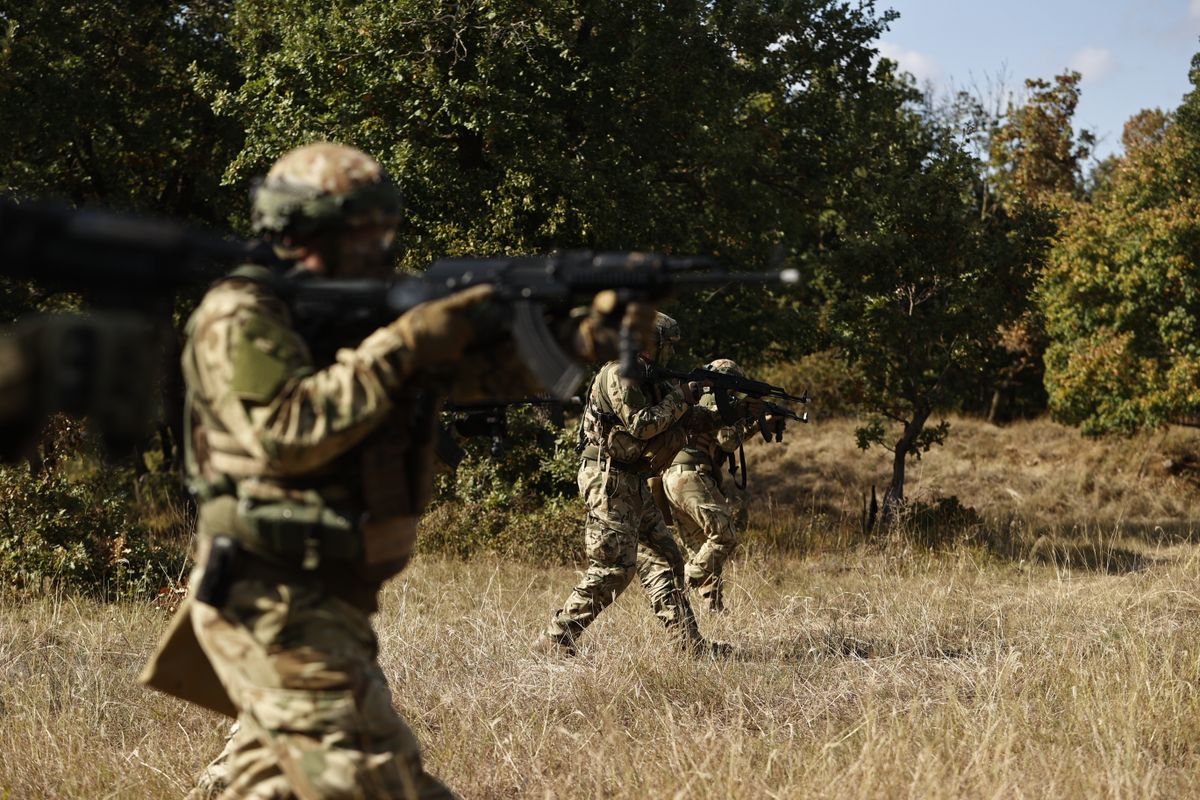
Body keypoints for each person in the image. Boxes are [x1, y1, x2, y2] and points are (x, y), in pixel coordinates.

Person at [139, 141, 645, 800]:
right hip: (272, 594)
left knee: (302, 782)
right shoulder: (240, 314)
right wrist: (404, 341)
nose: (378, 246)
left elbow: (459, 377)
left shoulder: (355, 320)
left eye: (384, 229)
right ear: (299, 229)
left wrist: (581, 342)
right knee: (364, 781)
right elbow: (288, 431)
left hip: (329, 591)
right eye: (359, 230)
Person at [533, 313, 728, 657]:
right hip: (607, 478)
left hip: (633, 479)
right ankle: (556, 638)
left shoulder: (653, 378)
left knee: (667, 557)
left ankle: (688, 645)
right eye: (668, 346)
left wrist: (729, 411)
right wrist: (682, 397)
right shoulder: (620, 374)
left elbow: (690, 420)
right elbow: (642, 425)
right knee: (614, 567)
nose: (671, 353)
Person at [661, 358, 766, 612]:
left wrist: (752, 423)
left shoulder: (695, 397)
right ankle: (677, 587)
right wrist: (746, 416)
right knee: (724, 535)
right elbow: (728, 441)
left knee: (703, 549)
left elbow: (717, 439)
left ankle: (713, 608)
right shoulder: (715, 398)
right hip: (691, 475)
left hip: (672, 478)